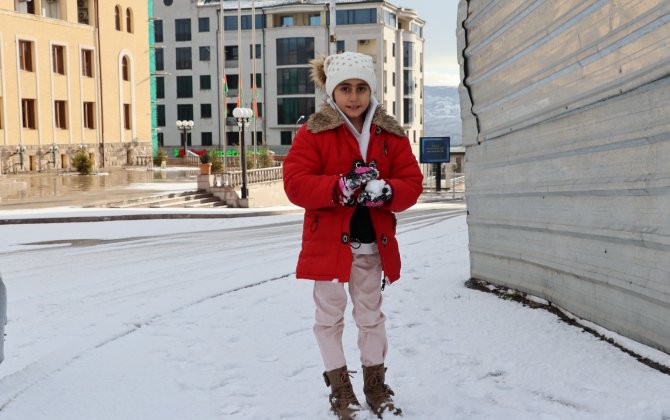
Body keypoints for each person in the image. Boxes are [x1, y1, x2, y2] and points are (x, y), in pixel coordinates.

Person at [283, 51, 423, 419]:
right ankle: (341, 389)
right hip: (326, 245)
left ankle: (375, 386)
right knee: (328, 318)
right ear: (332, 91)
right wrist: (339, 187)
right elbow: (296, 184)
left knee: (371, 317)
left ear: (372, 90)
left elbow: (412, 181)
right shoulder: (314, 132)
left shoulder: (391, 134)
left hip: (372, 245)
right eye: (345, 88)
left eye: (361, 87)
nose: (354, 96)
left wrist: (388, 191)